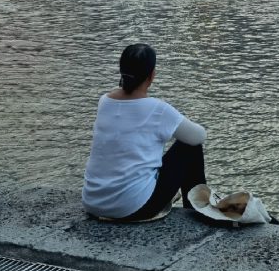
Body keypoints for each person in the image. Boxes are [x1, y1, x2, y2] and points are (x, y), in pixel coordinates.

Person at [82, 44, 207, 221]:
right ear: (152, 75)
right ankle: (197, 212)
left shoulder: (104, 102)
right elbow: (199, 136)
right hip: (132, 208)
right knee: (190, 148)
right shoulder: (158, 109)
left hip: (93, 203)